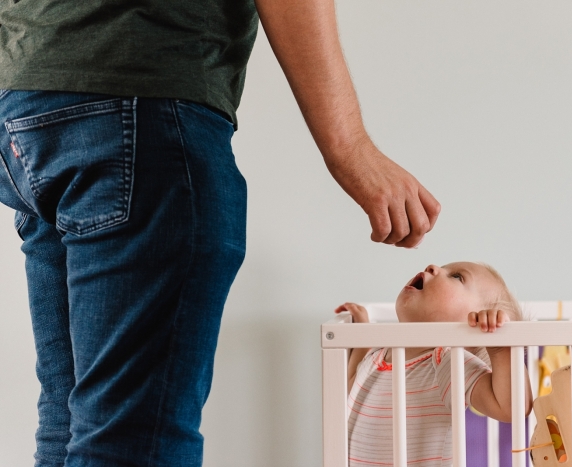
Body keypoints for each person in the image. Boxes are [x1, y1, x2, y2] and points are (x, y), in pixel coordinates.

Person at [0, 0, 441, 466]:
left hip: (29, 98)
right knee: (131, 442)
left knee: (74, 426)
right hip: (135, 102)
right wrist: (351, 150)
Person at [335, 262, 533, 467]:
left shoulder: (447, 363)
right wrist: (361, 334)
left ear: (477, 321)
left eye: (457, 277)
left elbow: (512, 409)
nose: (432, 267)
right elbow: (352, 387)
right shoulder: (379, 355)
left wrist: (502, 349)